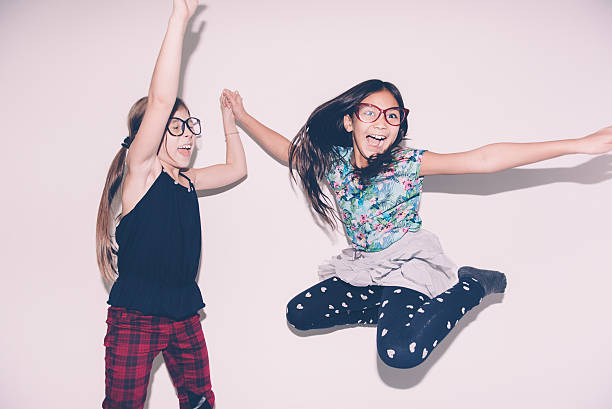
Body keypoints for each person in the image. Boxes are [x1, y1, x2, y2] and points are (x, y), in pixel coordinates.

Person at [222, 80, 611, 369]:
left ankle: (473, 284)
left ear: (399, 125)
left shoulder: (407, 164)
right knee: (300, 314)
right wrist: (241, 117)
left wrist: (578, 144)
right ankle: (386, 302)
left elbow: (483, 159)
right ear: (348, 121)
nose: (382, 122)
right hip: (366, 269)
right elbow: (289, 151)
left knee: (400, 353)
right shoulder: (335, 163)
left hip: (408, 268)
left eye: (392, 115)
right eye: (369, 112)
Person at [95, 1, 246, 407]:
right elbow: (160, 102)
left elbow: (235, 170)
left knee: (200, 401)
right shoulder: (141, 173)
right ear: (151, 133)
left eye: (190, 127)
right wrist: (180, 17)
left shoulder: (188, 182)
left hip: (183, 312)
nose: (185, 136)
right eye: (174, 127)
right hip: (135, 317)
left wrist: (230, 120)